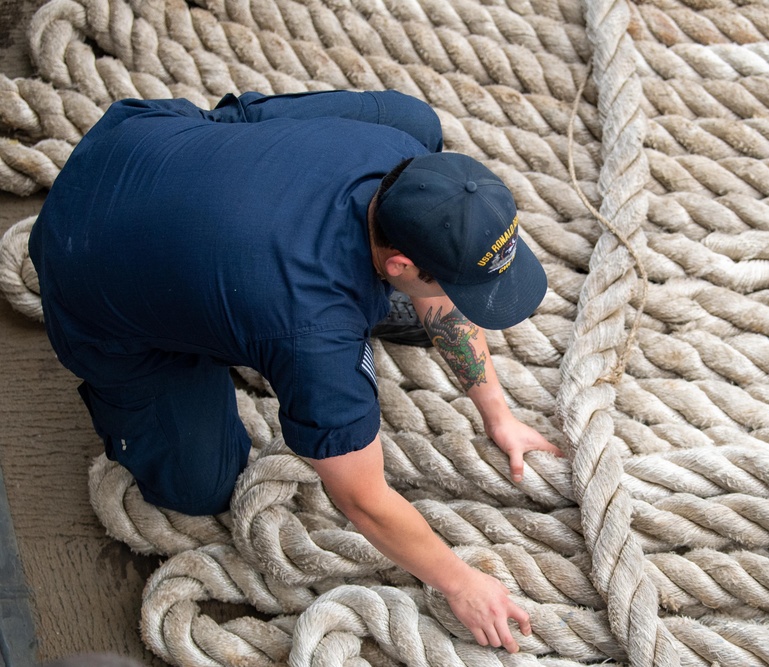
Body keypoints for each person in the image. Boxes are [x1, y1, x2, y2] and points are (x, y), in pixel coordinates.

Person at [28, 89, 563, 653]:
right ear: (400, 263)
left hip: (138, 144)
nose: (465, 301)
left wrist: (497, 414)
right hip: (81, 267)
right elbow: (361, 498)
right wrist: (461, 582)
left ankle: (219, 277)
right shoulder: (316, 332)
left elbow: (441, 306)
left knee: (401, 125)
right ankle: (175, 337)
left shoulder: (396, 144)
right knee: (199, 485)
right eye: (454, 286)